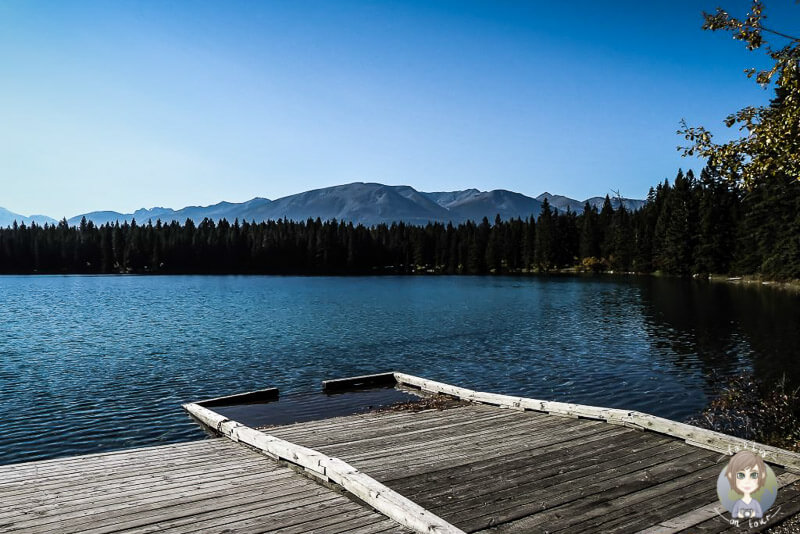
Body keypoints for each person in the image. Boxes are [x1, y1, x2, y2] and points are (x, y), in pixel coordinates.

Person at [726, 450, 768, 519]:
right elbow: (734, 514)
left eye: (754, 475)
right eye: (741, 475)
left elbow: (759, 513)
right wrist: (740, 514)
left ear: (762, 476)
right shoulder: (739, 503)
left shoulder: (755, 503)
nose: (747, 481)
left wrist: (753, 513)